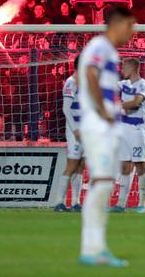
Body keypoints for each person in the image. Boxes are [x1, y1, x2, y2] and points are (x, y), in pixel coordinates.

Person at [77, 6, 136, 267]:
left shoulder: (109, 50)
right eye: (130, 26)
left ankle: (96, 247)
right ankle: (92, 249)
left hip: (106, 125)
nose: (132, 32)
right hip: (99, 124)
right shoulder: (100, 46)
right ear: (119, 23)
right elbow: (89, 73)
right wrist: (101, 111)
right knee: (101, 183)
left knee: (104, 184)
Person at [110, 57, 145, 214]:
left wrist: (117, 105)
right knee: (125, 167)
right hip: (124, 128)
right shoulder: (123, 84)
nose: (122, 71)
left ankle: (142, 203)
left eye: (124, 68)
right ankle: (121, 204)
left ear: (133, 68)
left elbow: (136, 102)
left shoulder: (143, 85)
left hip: (138, 129)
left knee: (140, 166)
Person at [53, 55, 85, 213]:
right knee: (72, 164)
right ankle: (59, 202)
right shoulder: (71, 83)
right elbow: (66, 109)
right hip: (75, 130)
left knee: (81, 166)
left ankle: (76, 202)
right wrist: (75, 129)